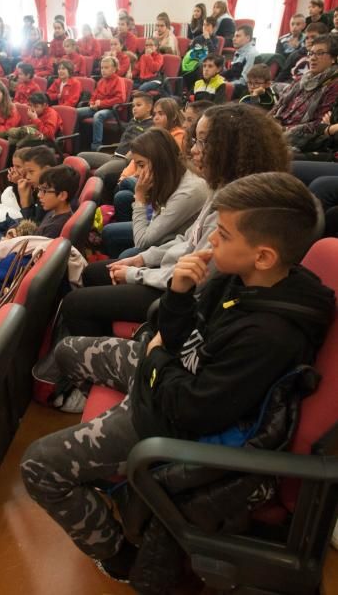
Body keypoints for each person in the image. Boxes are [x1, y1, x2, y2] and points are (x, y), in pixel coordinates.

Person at [22, 170, 334, 586]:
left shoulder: (268, 335)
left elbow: (192, 409)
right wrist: (181, 292)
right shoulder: (236, 279)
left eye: (222, 234)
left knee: (38, 467)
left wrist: (155, 362)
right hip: (170, 377)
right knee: (67, 350)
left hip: (170, 418)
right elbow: (173, 334)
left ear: (262, 256)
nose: (211, 242)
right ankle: (97, 454)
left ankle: (120, 557)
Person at [58, 103, 290, 337]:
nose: (193, 150)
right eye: (195, 141)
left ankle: (102, 358)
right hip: (172, 271)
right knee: (92, 273)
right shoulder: (218, 186)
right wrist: (141, 260)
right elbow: (187, 240)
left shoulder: (232, 205)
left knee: (75, 304)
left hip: (183, 293)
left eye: (203, 142)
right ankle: (104, 335)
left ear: (232, 149)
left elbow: (196, 275)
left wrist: (135, 273)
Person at [101, 128, 208, 258]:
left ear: (160, 161)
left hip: (174, 245)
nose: (138, 173)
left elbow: (142, 242)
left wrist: (140, 198)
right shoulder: (169, 175)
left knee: (127, 254)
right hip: (161, 230)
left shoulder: (188, 192)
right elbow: (153, 217)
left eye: (141, 165)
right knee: (109, 231)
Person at [78, 92, 155, 203]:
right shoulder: (133, 120)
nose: (134, 109)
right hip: (114, 155)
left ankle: (96, 205)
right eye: (133, 106)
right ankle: (76, 195)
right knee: (81, 157)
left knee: (100, 173)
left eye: (139, 105)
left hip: (125, 160)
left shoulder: (151, 126)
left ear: (149, 107)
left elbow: (140, 151)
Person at [272, 34, 338, 154]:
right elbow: (278, 107)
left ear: (334, 58)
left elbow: (319, 124)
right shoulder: (302, 79)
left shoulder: (334, 85)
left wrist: (284, 130)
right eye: (311, 53)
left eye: (320, 53)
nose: (312, 58)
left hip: (299, 139)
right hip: (276, 128)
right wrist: (269, 123)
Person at [76, 56, 126, 151]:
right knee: (76, 112)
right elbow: (94, 95)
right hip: (97, 107)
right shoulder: (101, 81)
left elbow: (120, 99)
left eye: (106, 68)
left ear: (114, 69)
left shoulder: (119, 80)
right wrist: (91, 103)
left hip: (112, 110)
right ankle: (77, 142)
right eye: (102, 68)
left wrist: (101, 104)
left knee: (98, 116)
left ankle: (96, 147)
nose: (103, 70)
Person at [8, 145, 57, 224]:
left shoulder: (52, 194)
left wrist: (24, 201)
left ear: (46, 170)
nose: (27, 176)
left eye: (31, 172)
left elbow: (32, 228)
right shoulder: (43, 188)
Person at [34, 165, 80, 237]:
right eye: (39, 190)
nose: (39, 195)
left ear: (62, 195)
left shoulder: (55, 228)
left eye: (44, 191)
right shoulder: (52, 212)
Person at [221, 25, 257, 98]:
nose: (233, 39)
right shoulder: (239, 51)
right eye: (234, 36)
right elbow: (233, 72)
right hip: (233, 83)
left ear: (247, 38)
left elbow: (244, 81)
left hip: (242, 89)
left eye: (238, 36)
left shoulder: (251, 54)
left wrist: (226, 83)